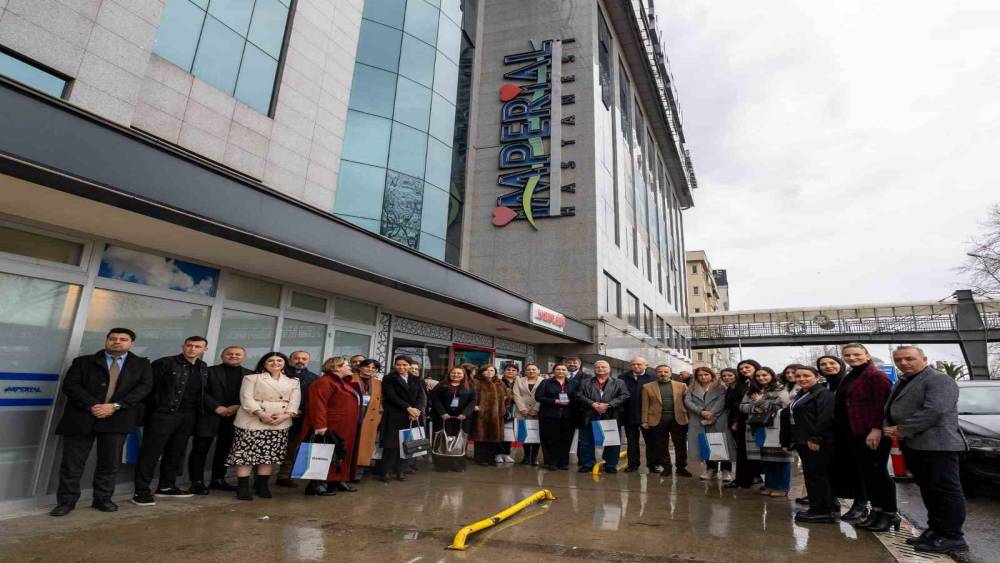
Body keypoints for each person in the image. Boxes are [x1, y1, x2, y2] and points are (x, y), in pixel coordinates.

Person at [50, 328, 153, 517]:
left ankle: (103, 499)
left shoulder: (142, 365)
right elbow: (71, 386)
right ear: (106, 340)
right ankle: (66, 502)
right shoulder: (83, 362)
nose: (117, 342)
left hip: (117, 418)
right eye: (113, 338)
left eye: (123, 339)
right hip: (81, 418)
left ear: (132, 343)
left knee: (109, 463)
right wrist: (94, 405)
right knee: (72, 464)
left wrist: (115, 406)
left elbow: (144, 389)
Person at [884, 346, 968, 554]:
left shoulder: (938, 379)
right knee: (930, 490)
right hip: (915, 444)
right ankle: (936, 530)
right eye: (899, 359)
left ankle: (952, 536)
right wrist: (889, 425)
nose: (903, 363)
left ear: (924, 359)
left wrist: (901, 429)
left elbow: (935, 411)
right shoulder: (903, 381)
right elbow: (891, 407)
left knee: (945, 491)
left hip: (938, 445)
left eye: (909, 359)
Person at [132, 336, 209, 506]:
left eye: (197, 346)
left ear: (205, 349)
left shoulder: (202, 367)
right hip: (163, 414)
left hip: (188, 416)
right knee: (151, 453)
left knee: (176, 452)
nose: (192, 349)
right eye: (189, 345)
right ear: (183, 346)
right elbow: (147, 389)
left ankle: (166, 487)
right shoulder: (165, 363)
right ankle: (141, 491)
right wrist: (152, 413)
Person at [835, 343, 897, 531]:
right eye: (847, 355)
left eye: (856, 354)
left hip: (871, 434)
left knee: (879, 474)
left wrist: (876, 428)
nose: (852, 358)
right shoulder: (852, 375)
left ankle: (890, 514)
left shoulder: (875, 376)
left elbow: (882, 405)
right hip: (855, 433)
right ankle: (876, 511)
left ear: (867, 355)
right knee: (868, 475)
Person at [227, 352, 301, 500]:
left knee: (268, 457)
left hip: (279, 423)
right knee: (246, 456)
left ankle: (262, 486)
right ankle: (242, 488)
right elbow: (246, 398)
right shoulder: (251, 378)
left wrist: (285, 416)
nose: (275, 363)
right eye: (271, 360)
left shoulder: (294, 381)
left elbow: (294, 403)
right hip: (252, 421)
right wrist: (261, 414)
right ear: (264, 363)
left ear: (285, 363)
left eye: (279, 360)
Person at [188, 346, 251, 495]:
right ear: (222, 355)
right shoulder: (208, 371)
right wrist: (216, 407)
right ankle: (196, 482)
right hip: (209, 415)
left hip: (235, 417)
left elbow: (252, 395)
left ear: (244, 357)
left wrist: (237, 406)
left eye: (238, 354)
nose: (233, 356)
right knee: (200, 450)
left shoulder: (250, 375)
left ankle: (218, 480)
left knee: (225, 450)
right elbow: (199, 391)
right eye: (229, 353)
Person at [301, 356, 360, 495]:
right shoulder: (324, 382)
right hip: (331, 425)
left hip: (344, 426)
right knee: (323, 453)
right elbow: (318, 404)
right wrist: (320, 425)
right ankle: (315, 484)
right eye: (346, 365)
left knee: (339, 453)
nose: (349, 367)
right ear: (336, 367)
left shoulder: (342, 382)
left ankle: (336, 480)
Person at [788, 365, 838, 523]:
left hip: (817, 441)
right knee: (811, 475)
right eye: (798, 376)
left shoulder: (823, 394)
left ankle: (823, 511)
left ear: (817, 377)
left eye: (806, 376)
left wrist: (816, 437)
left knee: (818, 476)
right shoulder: (804, 393)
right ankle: (818, 506)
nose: (802, 379)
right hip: (804, 440)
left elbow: (826, 416)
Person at [740, 366, 793, 497]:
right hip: (757, 427)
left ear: (772, 375)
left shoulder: (781, 389)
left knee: (780, 458)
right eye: (758, 376)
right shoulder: (751, 390)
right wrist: (755, 408)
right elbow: (742, 406)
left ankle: (782, 487)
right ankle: (769, 485)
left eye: (765, 375)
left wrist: (760, 401)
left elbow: (782, 405)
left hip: (776, 427)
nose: (761, 378)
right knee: (765, 458)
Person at [576, 360, 629, 473]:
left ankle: (610, 465)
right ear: (594, 369)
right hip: (589, 415)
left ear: (609, 369)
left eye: (603, 367)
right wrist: (592, 404)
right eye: (598, 367)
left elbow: (625, 395)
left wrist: (608, 405)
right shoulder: (585, 382)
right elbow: (579, 395)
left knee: (612, 442)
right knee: (586, 441)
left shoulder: (619, 382)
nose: (600, 369)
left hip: (611, 415)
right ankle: (587, 464)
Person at [377, 355, 423, 482]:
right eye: (398, 364)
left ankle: (401, 470)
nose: (401, 367)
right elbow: (391, 396)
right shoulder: (389, 378)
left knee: (407, 445)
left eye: (404, 365)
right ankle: (386, 471)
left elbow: (421, 396)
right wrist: (408, 408)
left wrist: (417, 410)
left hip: (412, 417)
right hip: (394, 415)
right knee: (391, 446)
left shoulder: (416, 379)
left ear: (409, 365)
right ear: (394, 365)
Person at [276, 350, 319, 487]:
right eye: (297, 358)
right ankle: (260, 477)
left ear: (308, 361)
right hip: (276, 416)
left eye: (304, 359)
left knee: (292, 447)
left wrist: (301, 411)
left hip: (300, 419)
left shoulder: (315, 378)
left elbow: (314, 400)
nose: (300, 361)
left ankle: (284, 475)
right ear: (290, 359)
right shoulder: (280, 374)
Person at [642, 364, 691, 478]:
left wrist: (690, 419)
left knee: (680, 445)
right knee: (661, 445)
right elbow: (645, 405)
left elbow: (688, 403)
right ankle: (667, 467)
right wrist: (644, 420)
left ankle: (681, 468)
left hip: (678, 420)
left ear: (670, 373)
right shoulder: (647, 387)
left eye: (665, 372)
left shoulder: (682, 385)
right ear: (656, 373)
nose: (662, 374)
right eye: (660, 372)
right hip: (657, 420)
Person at [685, 367, 732, 481]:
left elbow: (722, 401)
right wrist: (701, 411)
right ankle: (711, 469)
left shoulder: (721, 387)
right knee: (706, 443)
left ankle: (726, 470)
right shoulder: (691, 388)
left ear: (711, 375)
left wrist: (712, 413)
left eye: (706, 374)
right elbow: (688, 402)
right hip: (699, 418)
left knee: (722, 443)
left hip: (718, 418)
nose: (703, 377)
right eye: (700, 375)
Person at [429, 366, 476, 472]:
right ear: (449, 374)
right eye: (453, 373)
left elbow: (473, 401)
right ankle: (442, 466)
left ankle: (457, 465)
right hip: (443, 418)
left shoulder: (470, 386)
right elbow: (435, 399)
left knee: (459, 442)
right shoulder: (441, 385)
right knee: (442, 442)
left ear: (464, 375)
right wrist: (442, 412)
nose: (456, 375)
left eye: (459, 373)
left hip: (461, 420)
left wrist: (465, 413)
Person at [725, 359, 762, 489]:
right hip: (740, 420)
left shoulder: (760, 382)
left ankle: (755, 477)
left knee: (757, 450)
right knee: (743, 451)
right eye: (741, 368)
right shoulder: (741, 383)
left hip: (756, 421)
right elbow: (735, 403)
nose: (744, 370)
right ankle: (743, 479)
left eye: (747, 367)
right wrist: (735, 420)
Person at [535, 364, 579, 470]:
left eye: (563, 369)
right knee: (550, 440)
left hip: (568, 416)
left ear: (567, 372)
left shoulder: (574, 383)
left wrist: (571, 401)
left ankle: (563, 462)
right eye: (558, 369)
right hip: (549, 415)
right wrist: (555, 401)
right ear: (554, 371)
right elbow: (538, 397)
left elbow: (578, 397)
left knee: (566, 440)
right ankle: (552, 462)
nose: (561, 371)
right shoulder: (546, 382)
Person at [619, 357, 657, 472]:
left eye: (639, 364)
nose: (636, 366)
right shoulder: (622, 378)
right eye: (633, 364)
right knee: (632, 442)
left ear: (646, 365)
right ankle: (633, 465)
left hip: (647, 415)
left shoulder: (653, 378)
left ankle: (653, 465)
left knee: (651, 441)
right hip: (629, 414)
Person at [471, 364, 507, 466]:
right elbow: (470, 396)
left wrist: (503, 408)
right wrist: (475, 406)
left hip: (496, 416)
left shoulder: (500, 383)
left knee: (493, 438)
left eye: (491, 370)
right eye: (486, 370)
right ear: (481, 372)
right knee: (480, 438)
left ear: (495, 372)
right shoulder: (476, 382)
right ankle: (480, 459)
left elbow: (507, 397)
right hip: (481, 415)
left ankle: (491, 458)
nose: (489, 372)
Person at [352, 359, 383, 472]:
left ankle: (358, 471)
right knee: (351, 442)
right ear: (360, 367)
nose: (370, 369)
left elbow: (381, 400)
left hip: (370, 415)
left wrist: (379, 413)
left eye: (374, 368)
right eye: (367, 366)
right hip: (354, 413)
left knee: (365, 444)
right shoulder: (350, 378)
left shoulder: (378, 383)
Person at [512, 363, 543, 465]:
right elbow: (516, 395)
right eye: (529, 369)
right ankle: (526, 457)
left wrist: (536, 409)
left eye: (534, 369)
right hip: (522, 412)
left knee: (535, 435)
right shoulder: (519, 381)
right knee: (524, 434)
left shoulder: (544, 381)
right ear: (525, 371)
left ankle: (534, 458)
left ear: (538, 370)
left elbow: (544, 395)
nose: (531, 371)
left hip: (538, 412)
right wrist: (522, 409)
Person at [497, 363, 519, 463]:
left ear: (517, 372)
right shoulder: (498, 382)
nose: (511, 372)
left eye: (513, 370)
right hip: (501, 410)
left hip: (515, 410)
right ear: (504, 371)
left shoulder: (518, 383)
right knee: (500, 432)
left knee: (509, 433)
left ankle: (506, 454)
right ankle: (497, 454)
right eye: (508, 370)